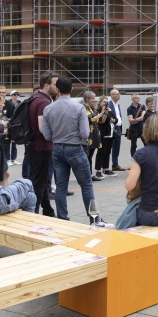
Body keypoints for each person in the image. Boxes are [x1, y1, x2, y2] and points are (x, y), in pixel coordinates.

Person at [43, 77, 113, 227]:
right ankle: (94, 220)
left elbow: (47, 135)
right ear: (72, 89)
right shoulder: (78, 108)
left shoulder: (48, 108)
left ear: (57, 89)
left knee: (61, 186)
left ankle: (63, 219)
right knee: (87, 185)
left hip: (57, 148)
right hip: (75, 147)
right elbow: (85, 133)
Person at [27, 71, 58, 217]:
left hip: (36, 146)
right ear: (46, 85)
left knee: (43, 180)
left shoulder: (36, 98)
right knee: (40, 182)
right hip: (41, 147)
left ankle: (48, 210)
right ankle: (33, 213)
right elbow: (42, 128)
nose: (57, 87)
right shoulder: (43, 102)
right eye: (55, 84)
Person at [95, 96, 118, 179]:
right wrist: (104, 113)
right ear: (100, 103)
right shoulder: (98, 111)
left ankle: (106, 169)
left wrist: (112, 117)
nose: (106, 104)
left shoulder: (109, 110)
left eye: (107, 102)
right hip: (103, 134)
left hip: (110, 134)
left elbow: (115, 119)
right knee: (101, 152)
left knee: (107, 152)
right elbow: (102, 121)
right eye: (104, 102)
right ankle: (98, 171)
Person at [82, 91, 102, 174]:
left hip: (94, 135)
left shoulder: (92, 109)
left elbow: (98, 121)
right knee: (87, 156)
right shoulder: (84, 108)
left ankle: (90, 174)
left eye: (94, 98)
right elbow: (90, 119)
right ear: (87, 99)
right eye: (92, 98)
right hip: (88, 136)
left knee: (90, 156)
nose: (94, 100)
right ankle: (88, 174)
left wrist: (103, 114)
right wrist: (101, 114)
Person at [108, 89, 126, 172]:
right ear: (112, 95)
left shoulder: (118, 105)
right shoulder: (109, 104)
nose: (119, 95)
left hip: (118, 128)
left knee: (116, 147)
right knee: (109, 147)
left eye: (119, 94)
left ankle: (115, 164)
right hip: (112, 128)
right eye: (117, 94)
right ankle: (105, 166)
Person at [7, 90, 20, 165]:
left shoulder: (19, 103)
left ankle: (14, 159)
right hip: (9, 123)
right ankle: (8, 159)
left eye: (17, 94)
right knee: (8, 142)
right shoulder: (8, 104)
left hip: (16, 125)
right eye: (14, 94)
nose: (16, 96)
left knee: (14, 142)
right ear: (11, 95)